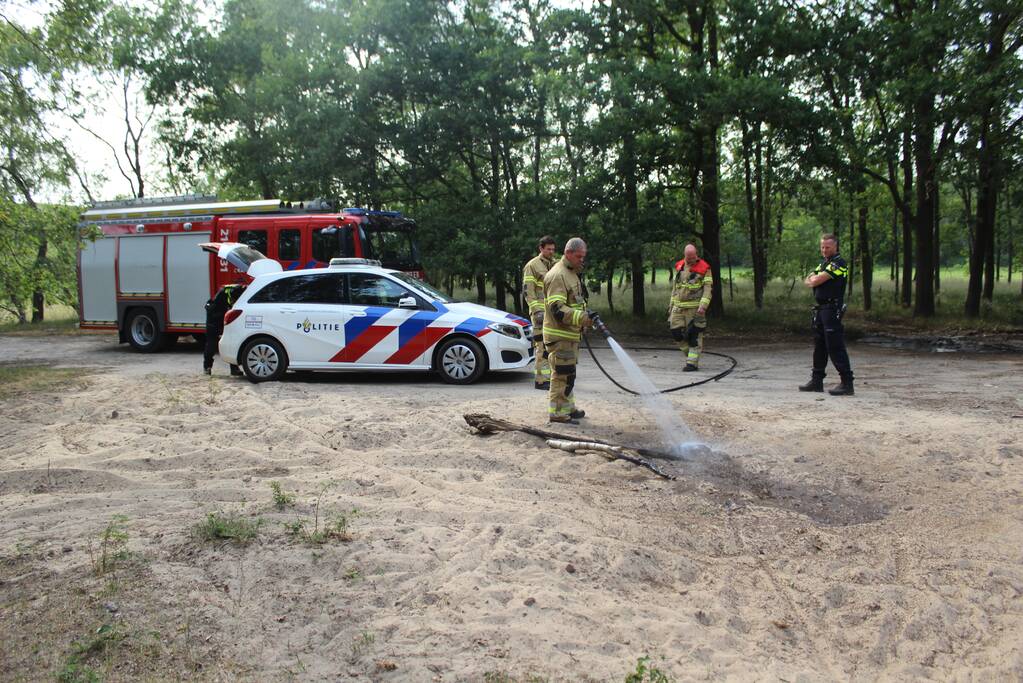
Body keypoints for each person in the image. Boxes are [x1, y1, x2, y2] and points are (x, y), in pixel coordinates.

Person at [543, 237, 593, 424]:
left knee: (569, 373)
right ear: (568, 253)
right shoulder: (558, 275)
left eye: (583, 256)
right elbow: (557, 309)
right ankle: (557, 413)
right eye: (579, 256)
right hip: (559, 335)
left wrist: (585, 316)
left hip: (570, 335)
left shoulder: (571, 273)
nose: (582, 260)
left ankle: (567, 408)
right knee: (561, 374)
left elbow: (575, 302)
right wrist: (582, 318)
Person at [800, 233, 854, 396]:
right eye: (822, 247)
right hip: (821, 309)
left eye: (827, 247)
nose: (824, 250)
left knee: (835, 346)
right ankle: (817, 381)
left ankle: (847, 383)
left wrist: (814, 279)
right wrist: (813, 278)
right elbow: (807, 279)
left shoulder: (839, 263)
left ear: (836, 246)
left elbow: (814, 281)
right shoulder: (824, 263)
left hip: (832, 309)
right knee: (820, 346)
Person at [668, 244, 713, 372]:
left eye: (692, 258)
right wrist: (671, 305)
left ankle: (692, 363)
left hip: (695, 309)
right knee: (676, 332)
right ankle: (690, 355)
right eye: (688, 258)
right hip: (678, 307)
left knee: (694, 335)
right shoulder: (680, 266)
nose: (690, 261)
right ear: (685, 256)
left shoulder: (705, 268)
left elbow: (708, 288)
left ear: (696, 255)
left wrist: (703, 306)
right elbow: (675, 288)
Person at [522, 236, 557, 390]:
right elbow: (528, 291)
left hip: (552, 313)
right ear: (541, 248)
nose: (551, 252)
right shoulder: (532, 266)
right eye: (548, 249)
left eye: (553, 249)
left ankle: (549, 377)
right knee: (541, 347)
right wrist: (536, 311)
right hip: (540, 313)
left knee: (551, 346)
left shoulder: (555, 265)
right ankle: (540, 380)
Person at [203, 283, 245, 376]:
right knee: (212, 343)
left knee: (231, 341)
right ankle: (207, 367)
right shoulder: (224, 295)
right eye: (234, 300)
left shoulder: (241, 291)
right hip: (213, 318)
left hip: (225, 315)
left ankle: (234, 369)